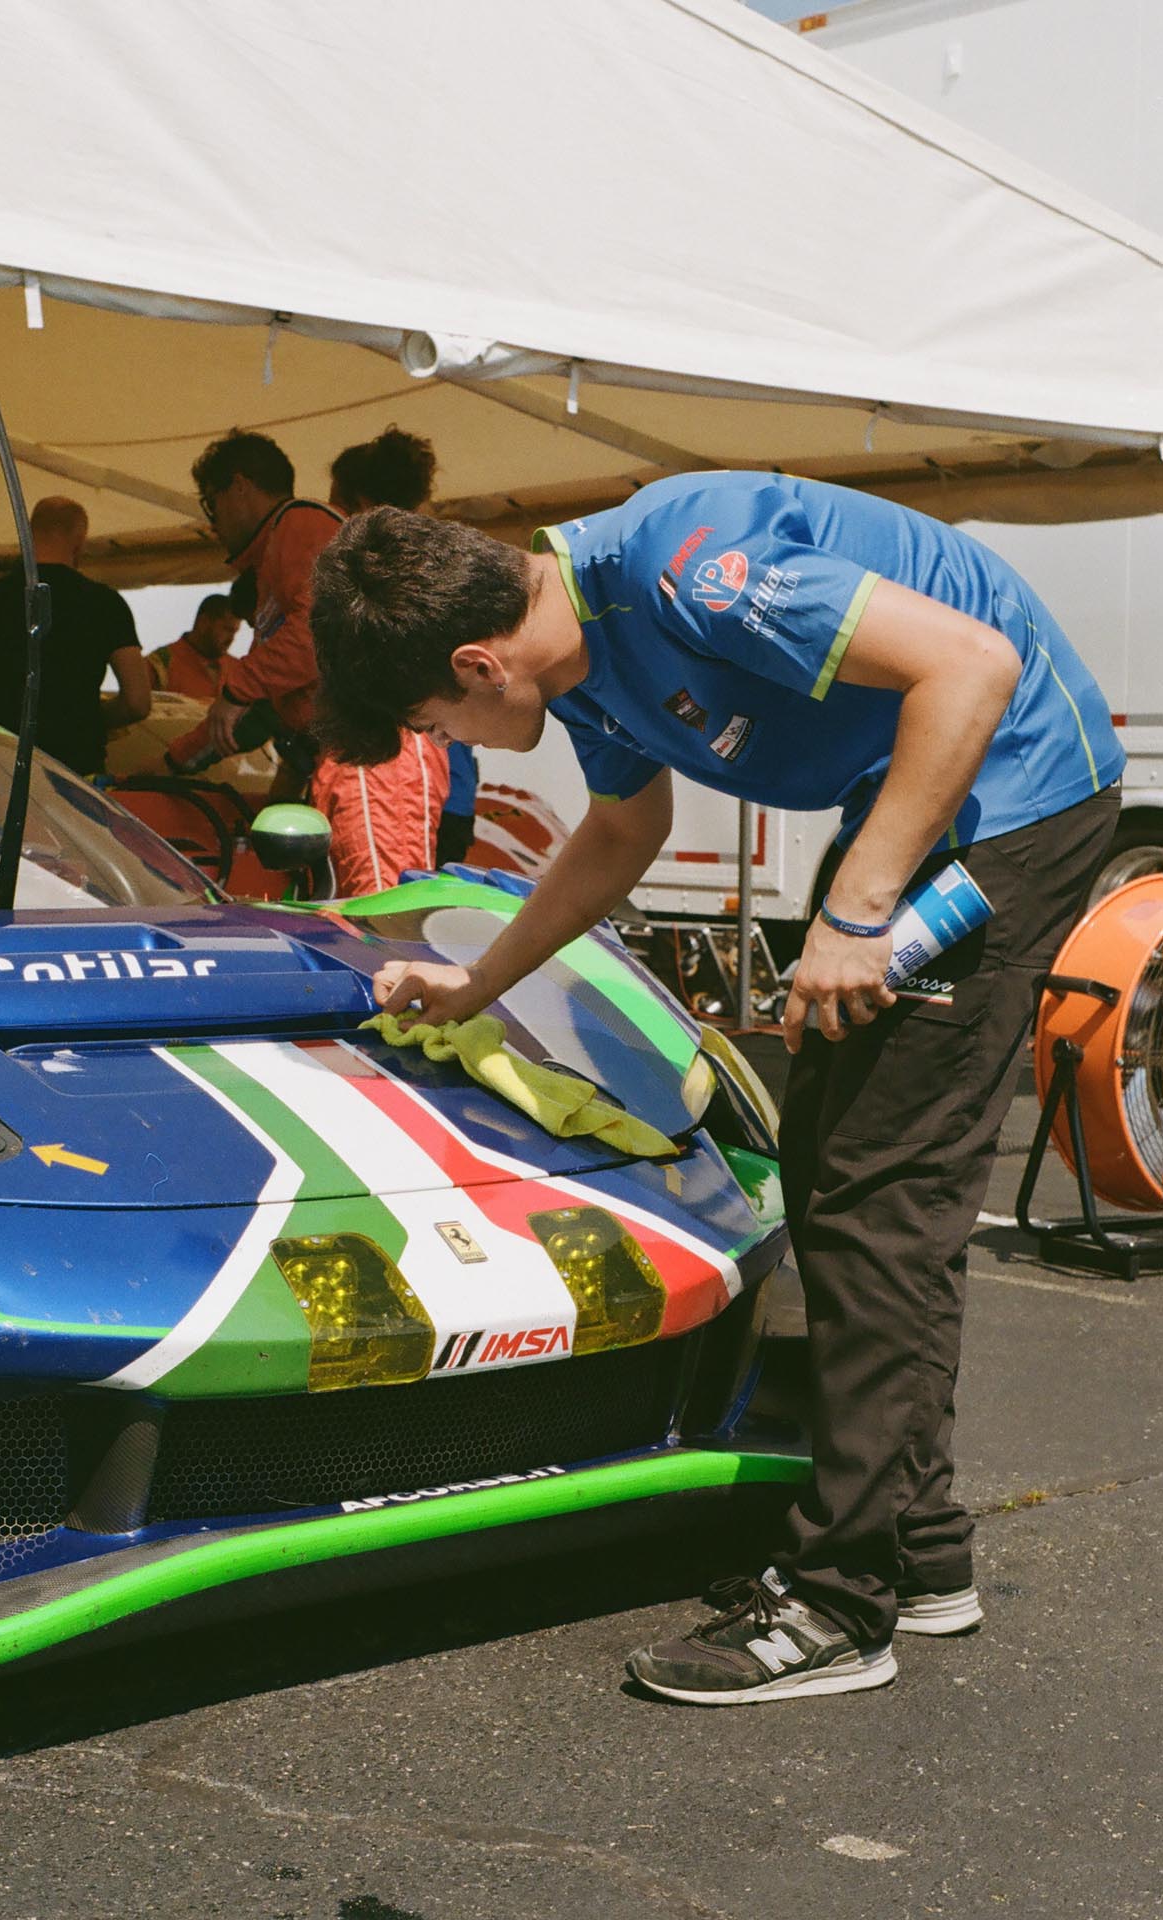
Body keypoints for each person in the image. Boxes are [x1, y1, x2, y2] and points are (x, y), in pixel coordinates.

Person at [309, 472, 1123, 1707]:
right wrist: (477, 984)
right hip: (917, 802)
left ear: (479, 663)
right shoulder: (573, 655)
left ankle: (844, 1601)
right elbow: (621, 837)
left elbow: (971, 668)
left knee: (877, 1191)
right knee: (835, 1168)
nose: (451, 746)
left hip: (1010, 790)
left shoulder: (685, 567)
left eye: (434, 722)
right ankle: (919, 1546)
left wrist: (854, 910)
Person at [313, 427, 449, 894]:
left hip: (385, 759)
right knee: (364, 899)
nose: (331, 520)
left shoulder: (393, 570)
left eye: (339, 507)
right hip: (380, 750)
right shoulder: (417, 562)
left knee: (381, 901)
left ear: (365, 505)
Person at [169, 430, 342, 780]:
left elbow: (319, 633)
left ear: (239, 487)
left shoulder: (300, 523)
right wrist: (173, 762)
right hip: (339, 754)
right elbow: (260, 702)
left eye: (210, 503)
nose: (213, 523)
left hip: (366, 755)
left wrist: (237, 690)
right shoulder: (277, 547)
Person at [0, 497, 151, 776]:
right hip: (79, 771)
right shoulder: (105, 603)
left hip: (7, 768)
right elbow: (137, 702)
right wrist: (92, 719)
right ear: (80, 542)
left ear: (28, 534)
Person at [148, 594, 240, 700]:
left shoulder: (237, 669)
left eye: (235, 632)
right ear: (204, 622)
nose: (231, 639)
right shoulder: (160, 663)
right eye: (227, 629)